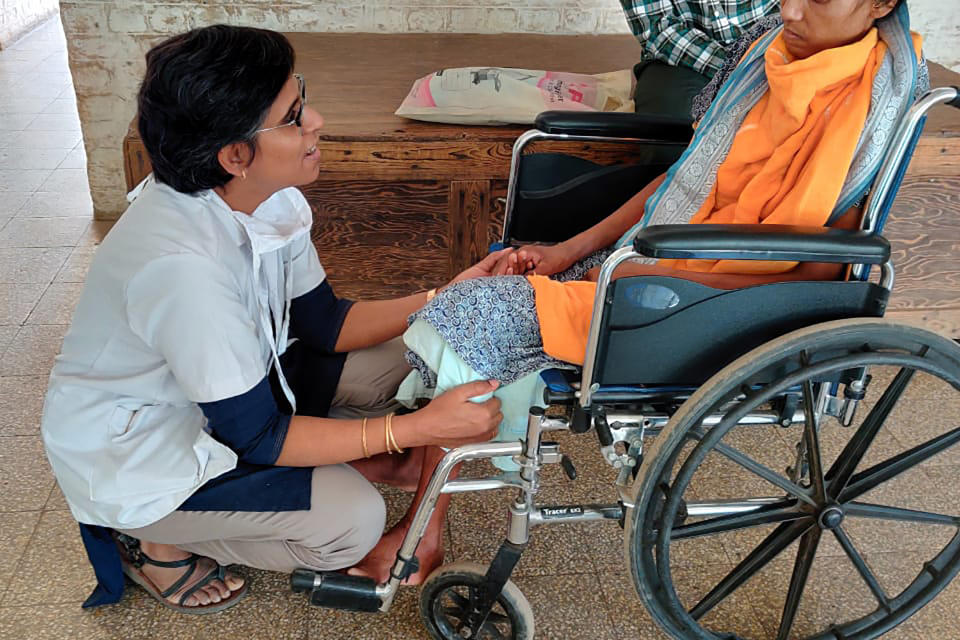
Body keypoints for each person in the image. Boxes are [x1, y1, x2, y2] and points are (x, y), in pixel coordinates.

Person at [40, 25, 510, 614]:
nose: (315, 121)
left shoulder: (266, 196)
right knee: (353, 523)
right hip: (140, 451)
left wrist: (443, 295)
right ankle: (149, 538)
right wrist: (413, 431)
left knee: (419, 354)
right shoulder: (181, 269)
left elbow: (325, 325)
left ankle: (357, 456)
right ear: (235, 156)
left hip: (225, 400)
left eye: (302, 99)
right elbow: (255, 433)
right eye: (292, 116)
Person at [406, 0, 925, 410]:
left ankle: (423, 525)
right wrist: (566, 251)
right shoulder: (760, 54)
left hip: (716, 302)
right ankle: (424, 483)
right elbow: (685, 179)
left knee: (471, 309)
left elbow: (814, 280)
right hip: (653, 261)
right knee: (490, 284)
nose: (788, 10)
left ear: (880, 3)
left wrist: (668, 282)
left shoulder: (878, 105)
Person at [619, 0, 780, 118]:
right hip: (680, 57)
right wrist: (738, 68)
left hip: (772, 43)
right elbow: (657, 27)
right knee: (674, 121)